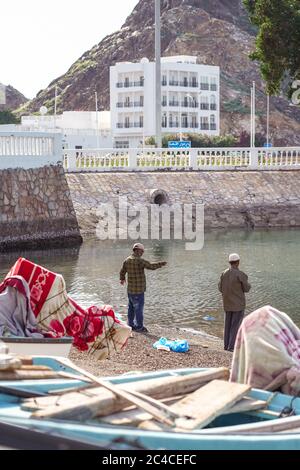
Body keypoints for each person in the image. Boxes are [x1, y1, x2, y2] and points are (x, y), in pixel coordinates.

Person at [120, 243, 167, 333]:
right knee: (138, 310)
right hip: (139, 291)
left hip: (130, 290)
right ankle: (139, 327)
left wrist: (122, 279)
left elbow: (122, 271)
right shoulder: (139, 261)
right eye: (142, 251)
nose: (142, 253)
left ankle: (130, 324)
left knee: (131, 308)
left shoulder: (127, 260)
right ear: (138, 250)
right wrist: (161, 263)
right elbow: (151, 266)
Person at [218, 253, 251, 352]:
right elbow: (246, 288)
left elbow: (220, 288)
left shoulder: (224, 273)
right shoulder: (240, 274)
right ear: (238, 262)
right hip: (238, 305)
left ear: (229, 262)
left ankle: (226, 345)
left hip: (227, 303)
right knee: (235, 325)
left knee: (227, 325)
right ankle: (231, 347)